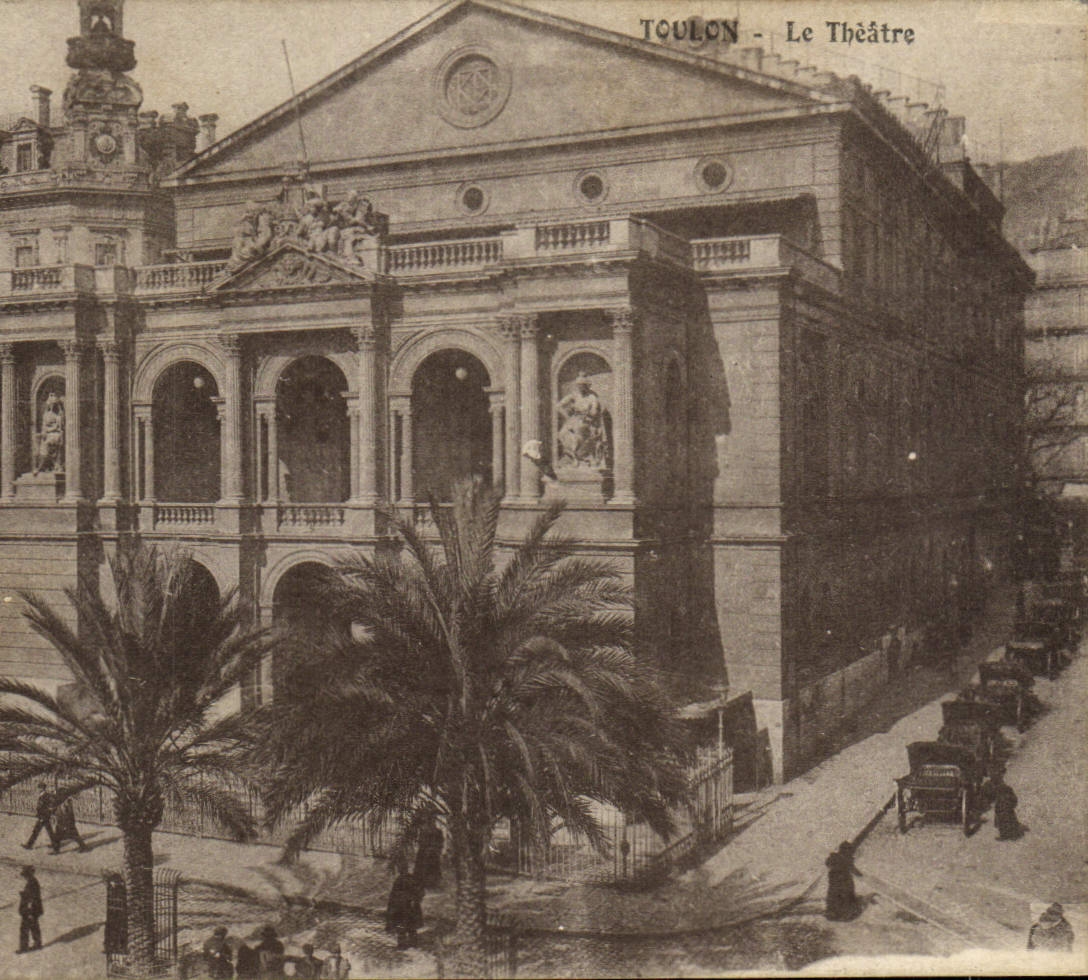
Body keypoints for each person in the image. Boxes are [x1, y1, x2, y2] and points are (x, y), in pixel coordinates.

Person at [385, 865, 424, 950]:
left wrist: (416, 900)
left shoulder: (410, 880)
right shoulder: (401, 880)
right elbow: (394, 895)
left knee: (408, 925)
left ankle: (411, 943)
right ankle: (406, 943)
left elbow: (420, 891)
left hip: (407, 906)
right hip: (402, 906)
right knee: (404, 925)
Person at [824, 841, 862, 921]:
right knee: (845, 896)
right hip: (844, 880)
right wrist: (859, 874)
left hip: (835, 880)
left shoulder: (834, 857)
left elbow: (827, 864)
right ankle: (844, 913)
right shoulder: (846, 859)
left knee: (834, 896)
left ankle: (833, 913)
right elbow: (853, 869)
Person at [23, 784, 58, 852]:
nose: (38, 789)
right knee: (41, 831)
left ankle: (56, 847)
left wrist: (45, 815)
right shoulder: (42, 795)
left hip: (44, 817)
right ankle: (29, 845)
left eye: (39, 788)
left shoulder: (46, 796)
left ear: (42, 788)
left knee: (44, 831)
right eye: (38, 788)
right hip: (42, 816)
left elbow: (49, 807)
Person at [17, 865, 43, 954]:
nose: (24, 877)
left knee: (25, 928)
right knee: (33, 926)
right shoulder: (32, 881)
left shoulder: (32, 883)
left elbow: (33, 898)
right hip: (32, 909)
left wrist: (30, 911)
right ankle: (37, 943)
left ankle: (24, 947)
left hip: (30, 910)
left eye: (25, 875)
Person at [414, 814, 444, 889]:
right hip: (425, 852)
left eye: (432, 820)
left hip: (432, 852)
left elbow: (441, 842)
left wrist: (436, 849)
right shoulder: (424, 830)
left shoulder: (438, 831)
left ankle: (432, 884)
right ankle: (423, 884)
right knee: (423, 867)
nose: (431, 821)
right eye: (430, 820)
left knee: (433, 868)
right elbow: (420, 841)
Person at [992, 771, 1023, 841]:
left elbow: (1013, 799)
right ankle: (1013, 833)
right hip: (1007, 807)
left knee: (1003, 819)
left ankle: (1005, 835)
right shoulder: (1007, 788)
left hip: (1004, 807)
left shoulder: (1003, 789)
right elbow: (1014, 799)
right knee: (1009, 818)